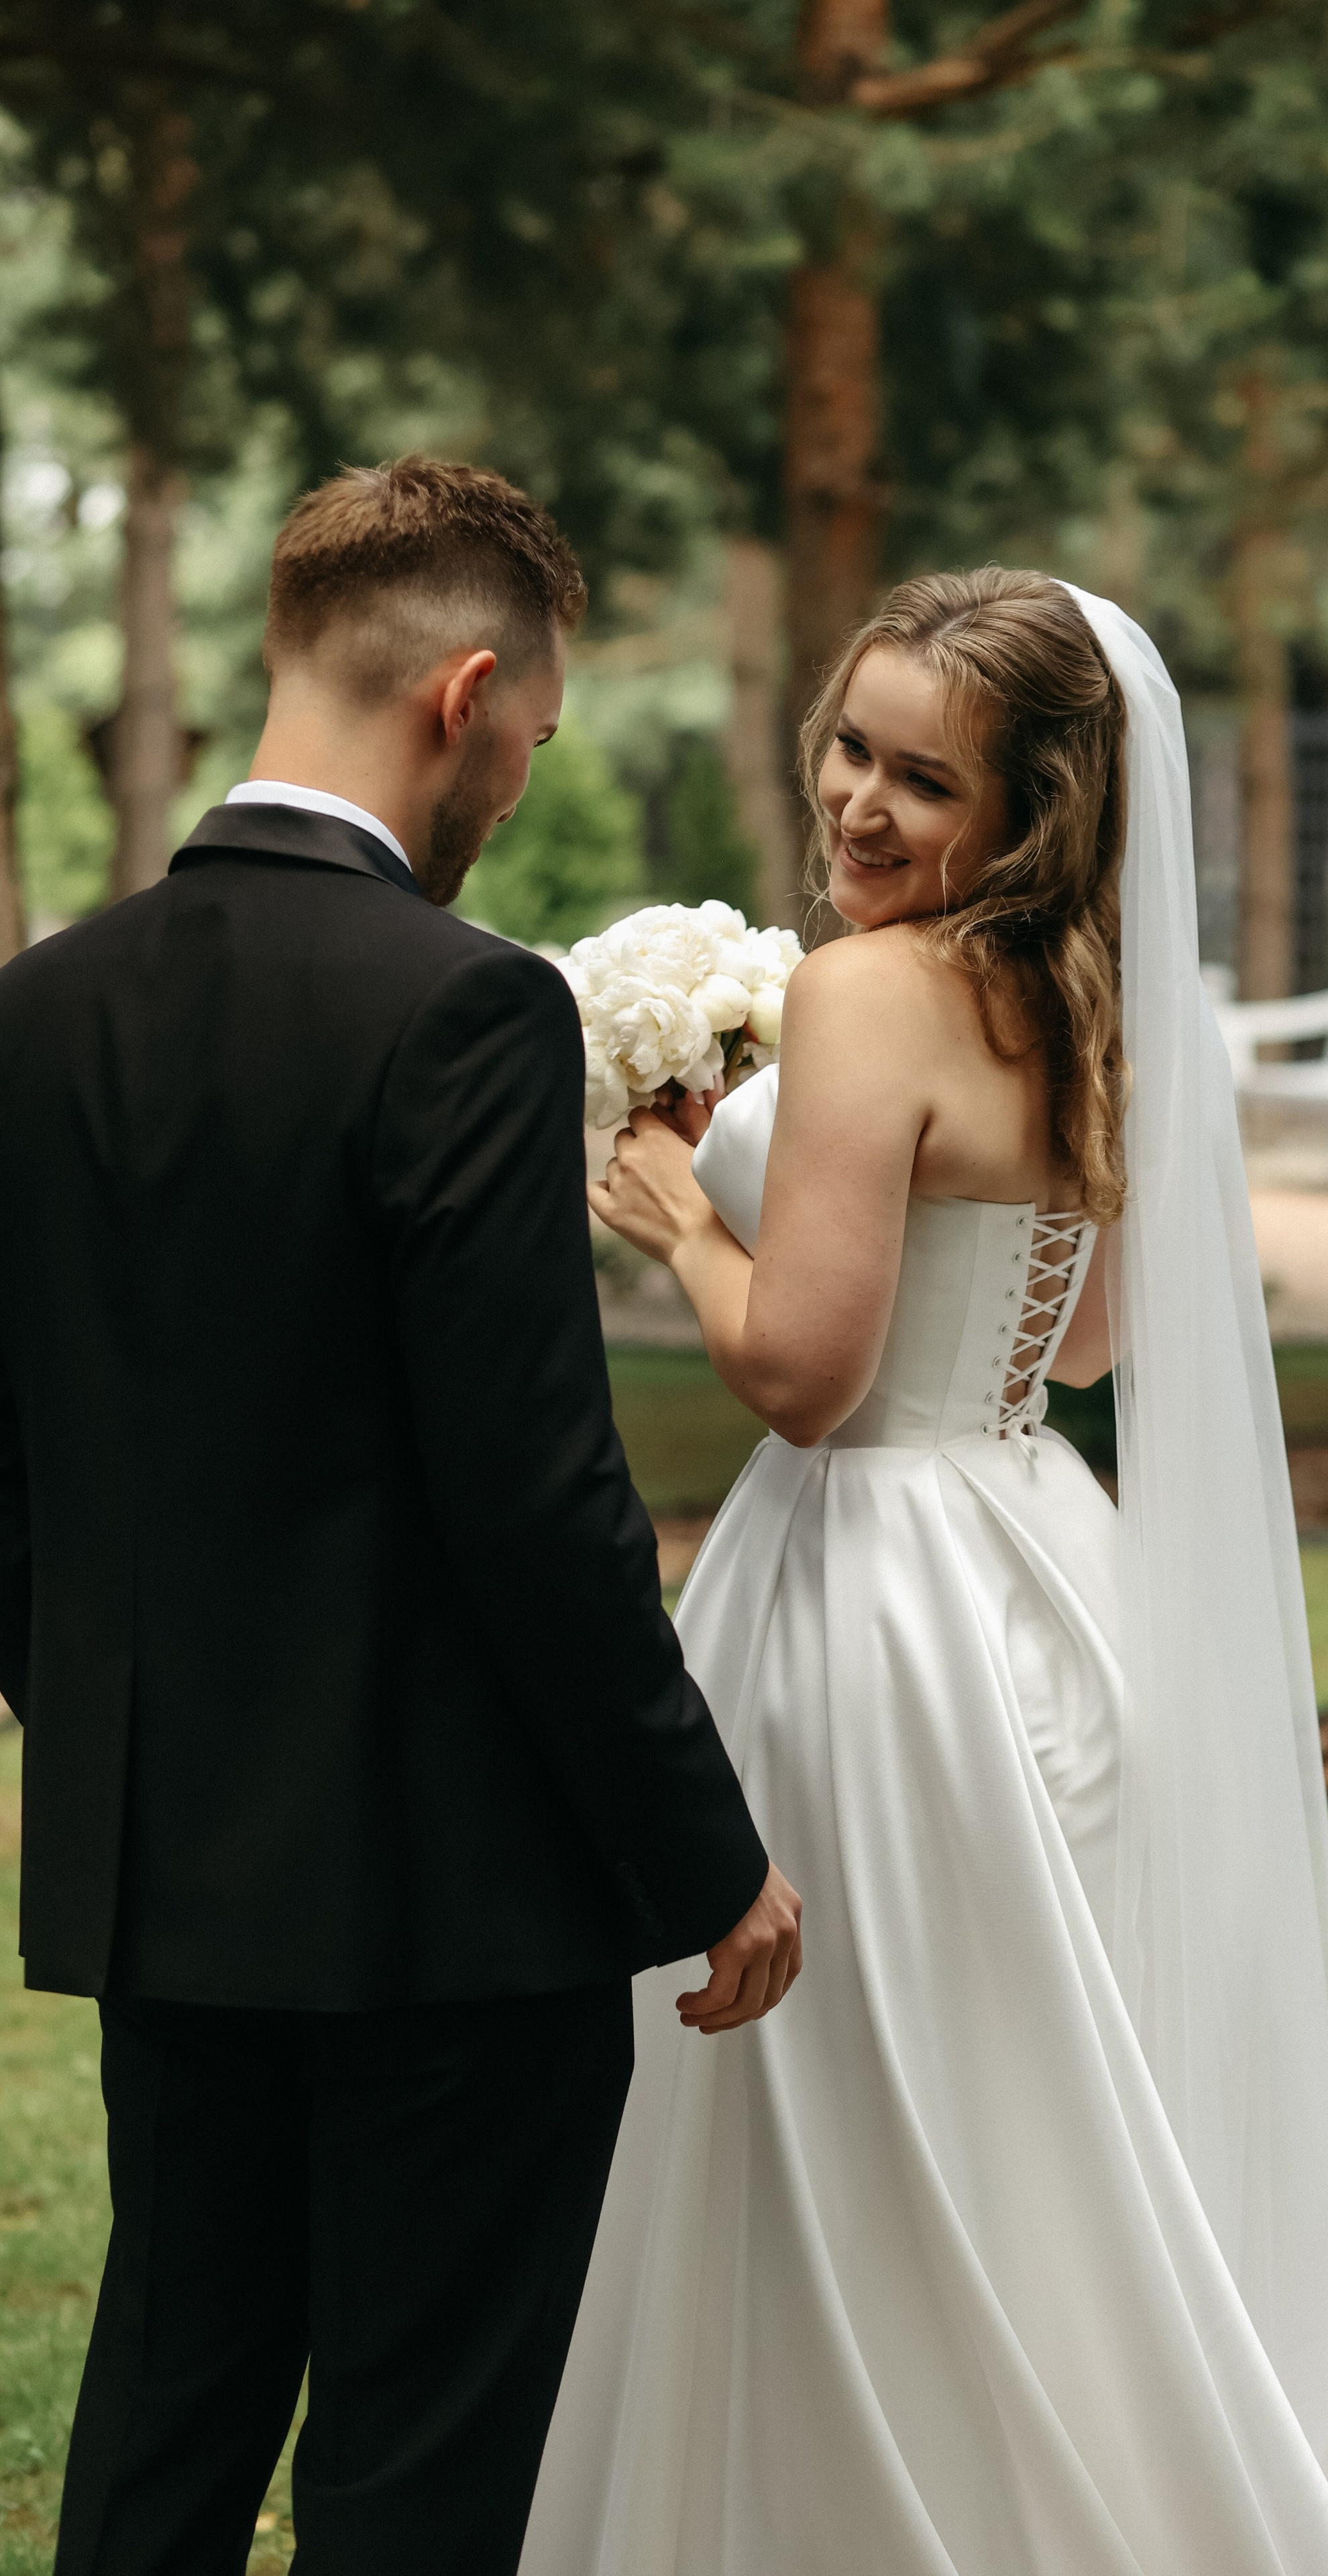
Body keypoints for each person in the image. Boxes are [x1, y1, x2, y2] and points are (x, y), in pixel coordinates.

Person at [0, 454, 801, 2576]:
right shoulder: (464, 1006)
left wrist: (105, 1731)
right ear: (463, 694)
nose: (517, 792)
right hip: (450, 1911)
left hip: (164, 1877)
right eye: (528, 740)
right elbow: (539, 1497)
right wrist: (705, 1855)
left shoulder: (40, 1012)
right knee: (417, 2487)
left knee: (164, 2434)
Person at [526, 570, 1328, 2573]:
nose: (863, 810)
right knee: (1022, 2121)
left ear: (1038, 811)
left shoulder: (871, 990)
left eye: (929, 780)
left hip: (874, 1612)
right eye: (854, 750)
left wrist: (673, 1209)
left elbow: (809, 1383)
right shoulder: (1107, 1006)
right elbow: (1074, 1353)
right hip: (1046, 1584)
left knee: (847, 2119)